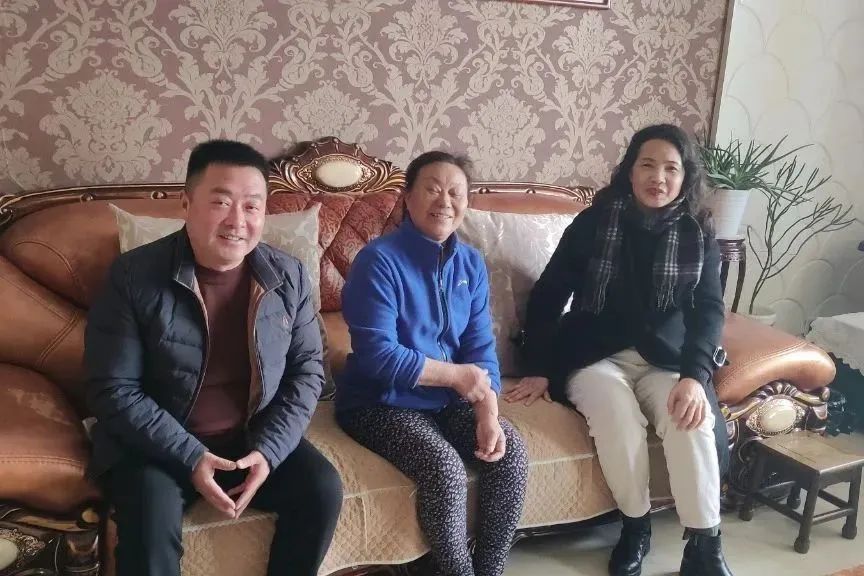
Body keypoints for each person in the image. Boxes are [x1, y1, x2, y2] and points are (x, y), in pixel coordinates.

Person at [85, 139, 343, 576]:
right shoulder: (133, 276)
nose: (237, 221)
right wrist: (190, 455)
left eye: (252, 206)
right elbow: (113, 388)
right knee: (149, 524)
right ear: (187, 203)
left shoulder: (288, 275)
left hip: (249, 437)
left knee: (321, 490)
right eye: (221, 202)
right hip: (156, 444)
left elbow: (306, 373)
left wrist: (269, 451)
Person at [505, 124, 733, 576]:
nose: (658, 177)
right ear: (630, 170)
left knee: (689, 419)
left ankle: (704, 546)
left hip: (666, 359)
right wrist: (539, 366)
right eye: (647, 164)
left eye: (671, 168)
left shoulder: (698, 232)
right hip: (594, 356)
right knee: (616, 416)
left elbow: (708, 310)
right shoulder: (594, 223)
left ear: (685, 177)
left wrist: (695, 376)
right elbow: (549, 295)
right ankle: (635, 526)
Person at [335, 151, 529, 576]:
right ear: (407, 198)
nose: (445, 201)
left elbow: (480, 348)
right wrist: (455, 376)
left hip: (446, 402)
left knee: (509, 454)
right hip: (378, 403)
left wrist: (488, 413)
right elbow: (378, 354)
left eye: (456, 192)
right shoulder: (378, 261)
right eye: (433, 189)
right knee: (445, 471)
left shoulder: (470, 264)